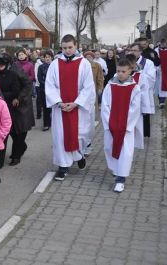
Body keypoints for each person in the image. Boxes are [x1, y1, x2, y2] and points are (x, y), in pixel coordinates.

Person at [45, 34, 96, 181]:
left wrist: (76, 103)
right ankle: (63, 167)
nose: (67, 50)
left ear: (76, 46)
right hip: (60, 108)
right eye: (64, 48)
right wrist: (59, 102)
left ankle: (78, 155)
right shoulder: (55, 64)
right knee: (61, 137)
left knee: (78, 135)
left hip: (78, 108)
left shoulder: (84, 63)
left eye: (70, 47)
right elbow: (50, 85)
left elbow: (88, 87)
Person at [101, 58, 141, 193]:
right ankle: (114, 169)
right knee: (109, 147)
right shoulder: (110, 85)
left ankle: (121, 179)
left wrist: (124, 124)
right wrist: (109, 122)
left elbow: (135, 109)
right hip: (111, 124)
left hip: (125, 127)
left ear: (130, 71)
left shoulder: (135, 88)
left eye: (123, 71)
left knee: (125, 152)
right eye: (118, 71)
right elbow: (105, 105)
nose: (120, 74)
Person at [129, 43, 155, 138]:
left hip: (142, 92)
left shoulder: (148, 63)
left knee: (142, 113)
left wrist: (140, 73)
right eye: (131, 50)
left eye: (135, 50)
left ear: (140, 51)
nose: (132, 52)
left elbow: (152, 79)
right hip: (130, 93)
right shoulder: (127, 62)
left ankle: (143, 134)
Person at [37, 50, 54, 131]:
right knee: (46, 107)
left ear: (52, 57)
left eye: (49, 57)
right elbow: (39, 79)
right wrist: (47, 84)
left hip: (54, 90)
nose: (47, 59)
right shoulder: (41, 67)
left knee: (54, 108)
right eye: (46, 57)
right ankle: (46, 124)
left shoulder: (55, 66)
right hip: (44, 90)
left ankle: (53, 123)